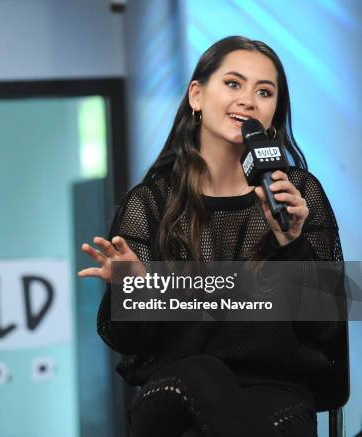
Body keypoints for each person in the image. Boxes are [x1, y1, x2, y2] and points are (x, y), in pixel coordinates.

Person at [78, 36, 343, 437]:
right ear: (197, 96)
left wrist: (293, 244)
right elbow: (125, 341)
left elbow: (327, 331)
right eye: (233, 84)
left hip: (275, 397)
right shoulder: (150, 202)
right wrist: (133, 289)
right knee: (201, 373)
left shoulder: (298, 194)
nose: (249, 100)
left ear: (274, 111)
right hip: (172, 395)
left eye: (264, 92)